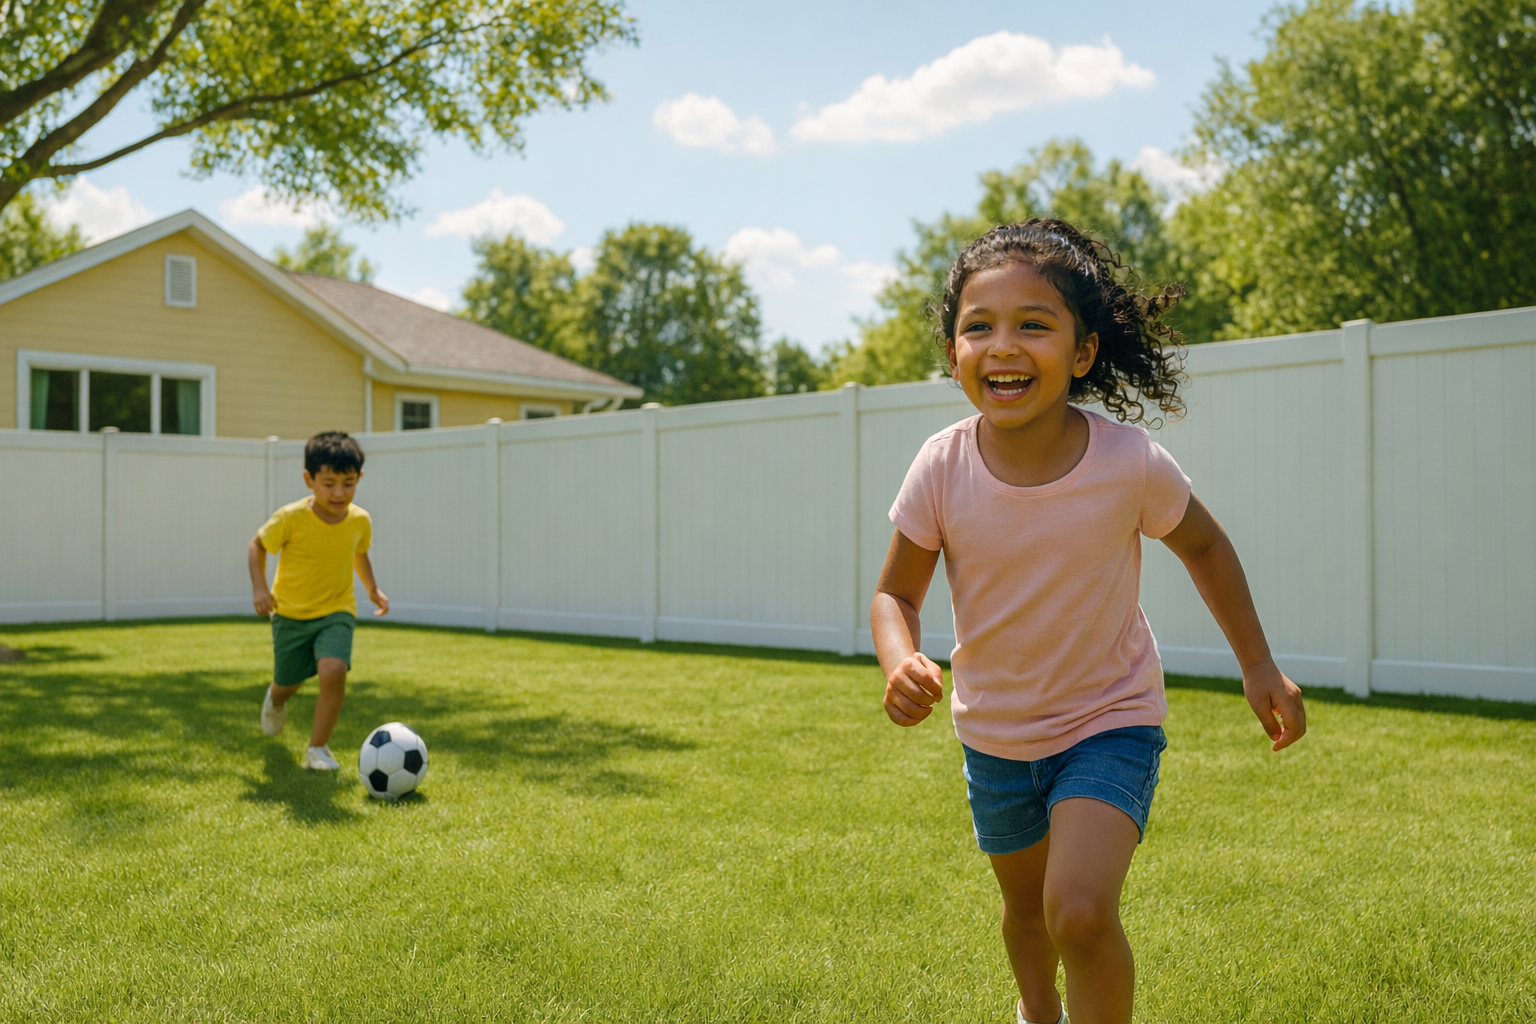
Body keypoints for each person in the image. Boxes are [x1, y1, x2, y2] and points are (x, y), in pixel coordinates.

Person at [872, 220, 1306, 1024]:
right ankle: (1038, 1014)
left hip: (1110, 721)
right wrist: (899, 657)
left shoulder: (1126, 462)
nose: (1004, 345)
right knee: (1029, 912)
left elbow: (1205, 544)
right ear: (953, 353)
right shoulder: (942, 465)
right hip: (995, 735)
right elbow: (894, 593)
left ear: (1082, 353)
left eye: (1033, 325)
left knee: (1076, 908)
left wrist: (1258, 665)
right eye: (979, 327)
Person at [247, 431, 388, 769]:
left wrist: (371, 588)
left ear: (359, 479)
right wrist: (260, 589)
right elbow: (257, 546)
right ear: (309, 479)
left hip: (337, 609)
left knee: (334, 670)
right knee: (287, 682)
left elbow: (360, 553)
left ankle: (318, 749)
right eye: (329, 483)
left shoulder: (360, 520)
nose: (339, 492)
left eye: (348, 483)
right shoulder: (290, 517)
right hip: (290, 614)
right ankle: (275, 699)